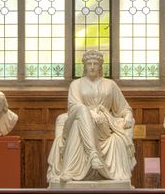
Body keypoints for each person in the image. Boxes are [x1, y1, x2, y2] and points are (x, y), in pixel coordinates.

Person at [46, 49, 135, 184]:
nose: (92, 67)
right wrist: (90, 113)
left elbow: (124, 108)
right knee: (80, 114)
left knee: (78, 125)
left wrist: (128, 116)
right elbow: (73, 107)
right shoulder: (76, 84)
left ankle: (70, 171)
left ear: (100, 66)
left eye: (95, 64)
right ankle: (93, 154)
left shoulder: (110, 84)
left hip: (102, 127)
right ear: (84, 66)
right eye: (89, 64)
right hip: (76, 119)